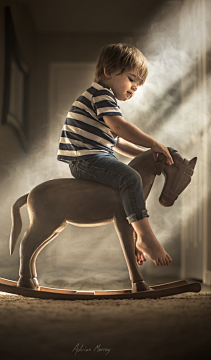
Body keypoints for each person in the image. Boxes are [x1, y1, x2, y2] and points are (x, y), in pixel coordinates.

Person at [57, 43, 173, 267]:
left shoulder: (102, 100)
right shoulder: (101, 94)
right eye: (132, 79)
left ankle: (139, 236)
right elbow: (120, 128)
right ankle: (145, 237)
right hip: (85, 159)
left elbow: (117, 141)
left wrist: (147, 154)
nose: (135, 87)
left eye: (138, 84)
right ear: (109, 71)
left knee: (129, 179)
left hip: (95, 156)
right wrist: (153, 143)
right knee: (131, 178)